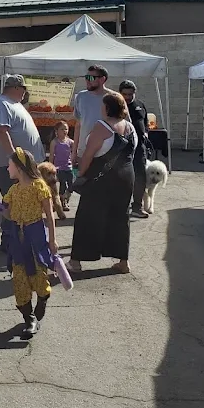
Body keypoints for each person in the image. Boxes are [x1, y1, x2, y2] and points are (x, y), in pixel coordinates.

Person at [0, 148, 58, 339]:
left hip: (35, 236)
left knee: (39, 277)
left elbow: (50, 217)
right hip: (17, 237)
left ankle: (43, 298)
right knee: (19, 280)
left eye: (9, 165)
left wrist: (52, 240)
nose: (7, 168)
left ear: (19, 167)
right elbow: (9, 214)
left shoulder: (39, 186)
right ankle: (30, 319)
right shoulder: (13, 190)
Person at [68, 91, 137, 275]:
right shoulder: (130, 127)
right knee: (120, 218)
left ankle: (76, 261)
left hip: (102, 179)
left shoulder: (101, 127)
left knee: (87, 218)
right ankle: (123, 261)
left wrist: (80, 176)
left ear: (107, 108)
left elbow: (89, 155)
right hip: (126, 176)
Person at [0, 75, 45, 198]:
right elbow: (1, 131)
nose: (25, 92)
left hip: (22, 164)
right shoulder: (2, 104)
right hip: (13, 166)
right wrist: (14, 158)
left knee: (25, 206)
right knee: (15, 206)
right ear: (15, 87)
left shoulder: (13, 103)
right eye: (23, 88)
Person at [71, 64, 114, 167]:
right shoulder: (81, 97)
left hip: (106, 155)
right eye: (86, 77)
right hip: (83, 154)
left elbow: (124, 127)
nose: (87, 80)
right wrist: (74, 152)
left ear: (102, 79)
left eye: (91, 78)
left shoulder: (114, 98)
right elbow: (78, 125)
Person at [119, 80, 150, 219]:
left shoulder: (140, 105)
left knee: (140, 177)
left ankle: (137, 206)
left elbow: (145, 122)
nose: (127, 97)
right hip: (123, 147)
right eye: (124, 94)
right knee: (122, 178)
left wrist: (146, 132)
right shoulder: (116, 106)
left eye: (130, 94)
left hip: (140, 148)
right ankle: (120, 207)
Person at [49, 120, 74, 211]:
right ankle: (62, 203)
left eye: (66, 129)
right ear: (57, 131)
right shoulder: (54, 142)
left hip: (69, 167)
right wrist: (50, 167)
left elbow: (75, 152)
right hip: (59, 168)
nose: (65, 131)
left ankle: (64, 198)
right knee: (63, 184)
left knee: (71, 186)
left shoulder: (70, 142)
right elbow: (51, 155)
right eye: (62, 129)